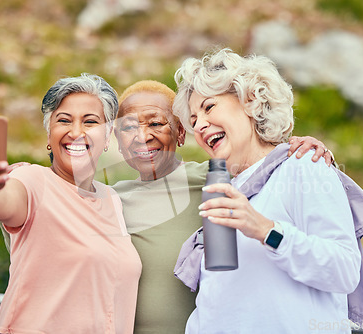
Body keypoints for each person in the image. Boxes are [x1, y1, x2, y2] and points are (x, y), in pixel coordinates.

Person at [172, 48, 363, 333]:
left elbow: (344, 270)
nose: (200, 125)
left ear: (250, 100)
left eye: (208, 107)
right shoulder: (221, 188)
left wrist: (265, 229)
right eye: (194, 120)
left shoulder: (304, 166)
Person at [110, 80, 335, 333]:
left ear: (181, 133)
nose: (142, 136)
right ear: (118, 141)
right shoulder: (109, 200)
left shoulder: (218, 179)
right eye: (128, 127)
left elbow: (264, 161)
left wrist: (303, 146)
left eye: (155, 123)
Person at [0, 73, 141, 334]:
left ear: (108, 135)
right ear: (49, 133)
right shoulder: (32, 180)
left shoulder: (112, 200)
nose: (75, 132)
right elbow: (3, 200)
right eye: (63, 120)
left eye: (90, 121)